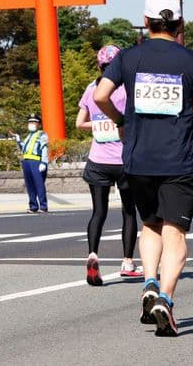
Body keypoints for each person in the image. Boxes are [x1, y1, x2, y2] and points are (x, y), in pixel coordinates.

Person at [94, 0, 193, 337]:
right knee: (175, 233)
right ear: (180, 23)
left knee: (150, 225)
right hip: (179, 160)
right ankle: (166, 297)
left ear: (145, 22)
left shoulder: (128, 57)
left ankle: (149, 280)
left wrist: (121, 120)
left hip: (138, 158)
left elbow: (101, 95)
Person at [77, 44, 141, 286]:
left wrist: (99, 122)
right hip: (124, 160)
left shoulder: (91, 88)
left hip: (98, 160)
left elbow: (79, 123)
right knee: (128, 211)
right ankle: (127, 262)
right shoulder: (126, 88)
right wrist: (118, 122)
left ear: (99, 66)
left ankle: (93, 254)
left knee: (98, 212)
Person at [11, 114, 49, 213]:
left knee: (39, 184)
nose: (31, 124)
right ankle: (33, 206)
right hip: (26, 161)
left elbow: (44, 148)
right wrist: (18, 139)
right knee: (30, 185)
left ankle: (43, 206)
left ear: (39, 124)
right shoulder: (29, 136)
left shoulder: (41, 134)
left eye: (34, 122)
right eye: (30, 122)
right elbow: (24, 148)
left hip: (36, 162)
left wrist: (44, 162)